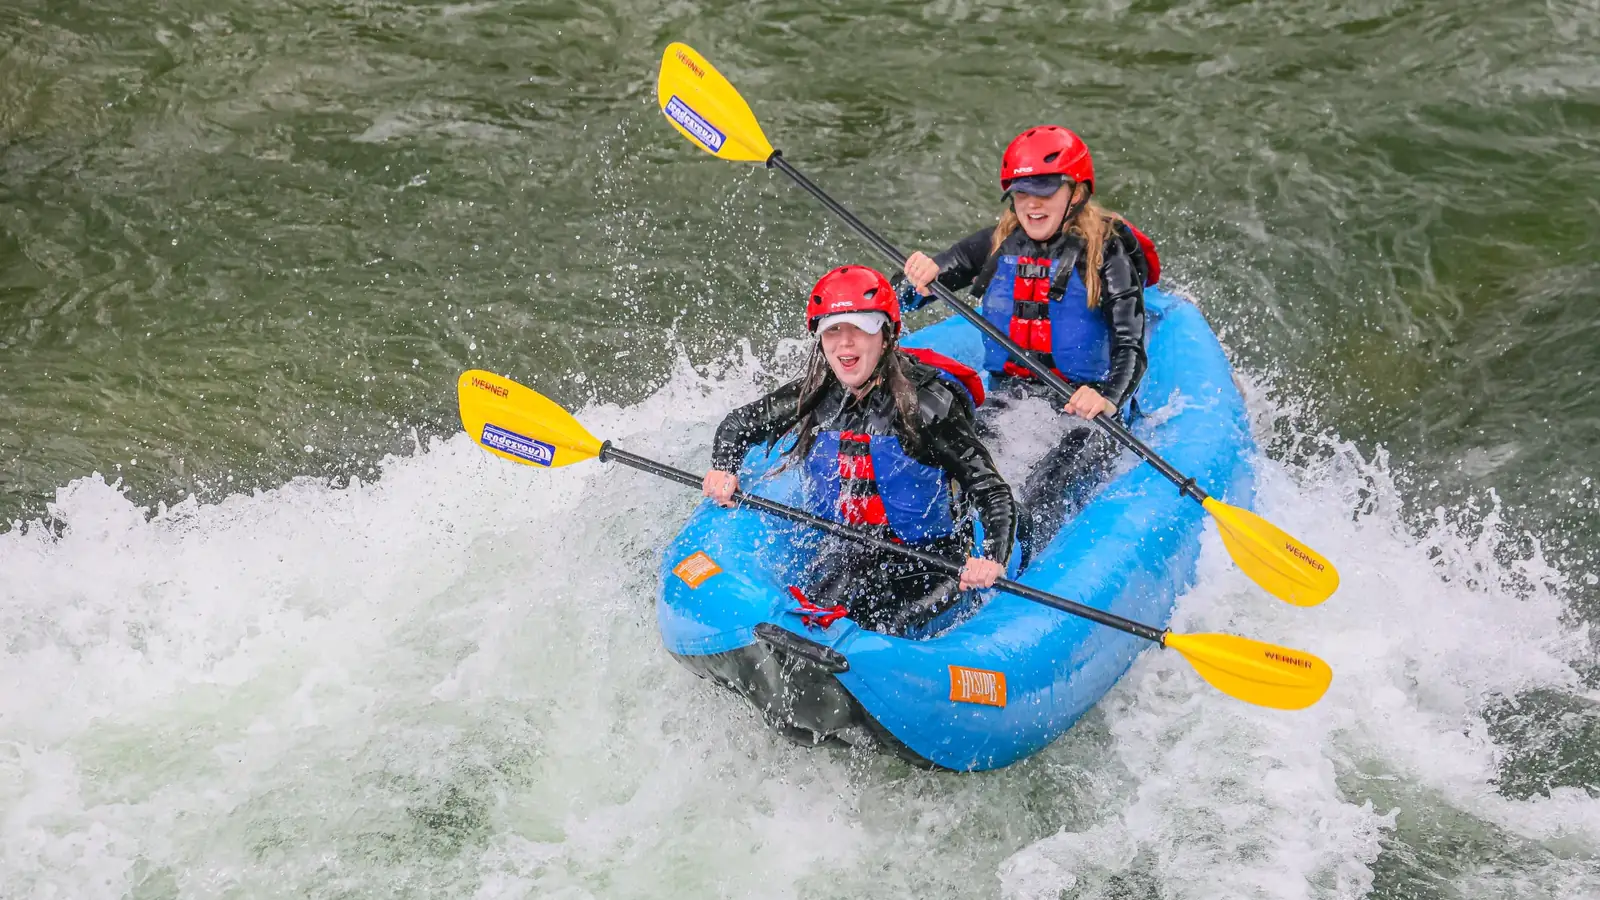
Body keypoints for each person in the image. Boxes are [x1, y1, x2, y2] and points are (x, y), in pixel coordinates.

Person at [702, 265, 1019, 635]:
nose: (845, 343)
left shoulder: (930, 407)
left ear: (886, 336)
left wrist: (992, 559)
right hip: (854, 550)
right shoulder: (815, 395)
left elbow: (992, 491)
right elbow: (738, 425)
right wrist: (724, 468)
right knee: (806, 622)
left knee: (886, 628)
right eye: (833, 330)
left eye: (860, 328)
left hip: (935, 560)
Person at [899, 125, 1161, 547]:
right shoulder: (999, 241)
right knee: (957, 467)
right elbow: (905, 295)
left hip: (1085, 408)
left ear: (1075, 193)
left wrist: (1108, 397)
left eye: (1045, 191)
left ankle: (1014, 555)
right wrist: (917, 282)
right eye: (1022, 193)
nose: (1032, 205)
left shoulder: (1106, 252)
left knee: (1050, 479)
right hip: (1010, 396)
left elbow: (1131, 345)